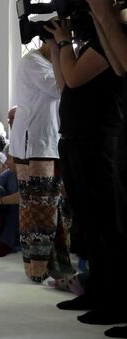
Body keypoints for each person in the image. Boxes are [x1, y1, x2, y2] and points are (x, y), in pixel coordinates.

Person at [46, 18, 126, 326]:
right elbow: (65, 85)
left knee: (107, 226)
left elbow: (75, 78)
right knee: (89, 224)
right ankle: (96, 290)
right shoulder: (87, 46)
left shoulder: (111, 41)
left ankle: (116, 300)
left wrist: (65, 41)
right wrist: (55, 46)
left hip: (99, 142)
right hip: (77, 142)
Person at [9, 36, 68, 283]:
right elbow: (59, 88)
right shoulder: (32, 61)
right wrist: (60, 53)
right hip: (35, 142)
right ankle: (38, 267)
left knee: (47, 206)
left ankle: (49, 266)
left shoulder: (52, 61)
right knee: (39, 207)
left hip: (47, 141)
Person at [86, 2, 127, 334]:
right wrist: (100, 15)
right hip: (118, 136)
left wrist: (104, 13)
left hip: (107, 135)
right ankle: (102, 294)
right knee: (105, 224)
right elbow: (119, 65)